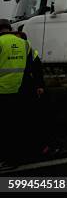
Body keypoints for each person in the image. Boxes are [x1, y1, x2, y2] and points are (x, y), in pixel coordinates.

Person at [0, 19, 38, 170]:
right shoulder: (25, 43)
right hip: (22, 90)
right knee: (17, 125)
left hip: (3, 91)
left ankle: (8, 160)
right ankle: (19, 157)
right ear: (9, 29)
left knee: (5, 128)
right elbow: (34, 64)